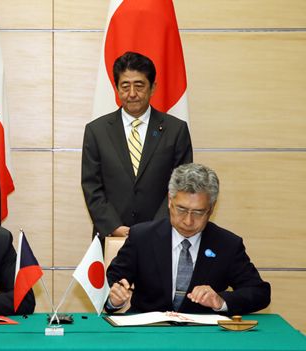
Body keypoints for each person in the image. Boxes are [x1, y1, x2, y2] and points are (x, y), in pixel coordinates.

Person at [106, 163, 271, 315]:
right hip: (148, 333)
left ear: (211, 208)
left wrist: (220, 300)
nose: (188, 221)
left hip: (203, 337)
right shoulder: (141, 237)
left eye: (198, 212)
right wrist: (114, 299)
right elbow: (110, 282)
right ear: (170, 201)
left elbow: (259, 292)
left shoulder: (227, 244)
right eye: (181, 209)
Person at [82, 52, 193, 244]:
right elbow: (91, 185)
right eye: (125, 86)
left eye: (139, 85)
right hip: (111, 236)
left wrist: (156, 227)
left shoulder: (176, 130)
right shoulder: (96, 131)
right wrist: (114, 226)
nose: (132, 93)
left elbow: (181, 186)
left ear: (153, 88)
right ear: (116, 88)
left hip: (161, 235)